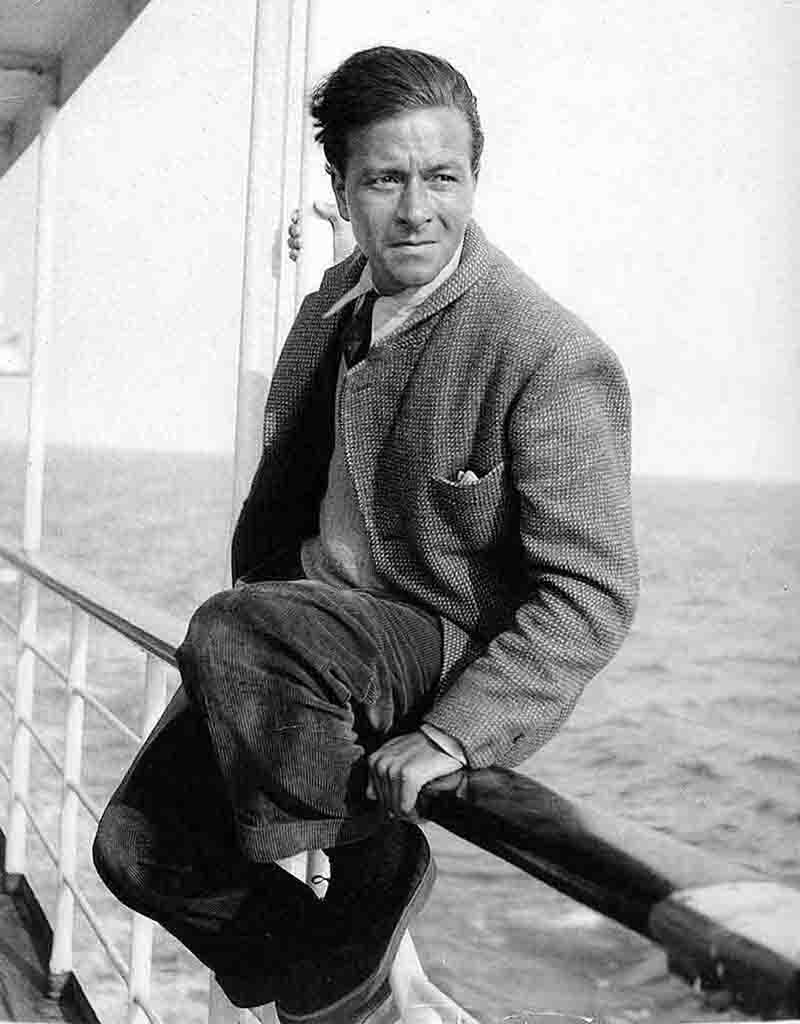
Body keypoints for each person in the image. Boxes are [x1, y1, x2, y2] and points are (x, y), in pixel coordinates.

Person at [93, 45, 638, 1024]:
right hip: (300, 644)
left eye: (443, 177)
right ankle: (336, 972)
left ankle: (369, 871)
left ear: (475, 179)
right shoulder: (332, 306)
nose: (417, 209)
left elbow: (590, 595)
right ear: (341, 190)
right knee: (136, 850)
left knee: (234, 629)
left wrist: (451, 735)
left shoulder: (545, 351)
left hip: (429, 645)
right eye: (386, 179)